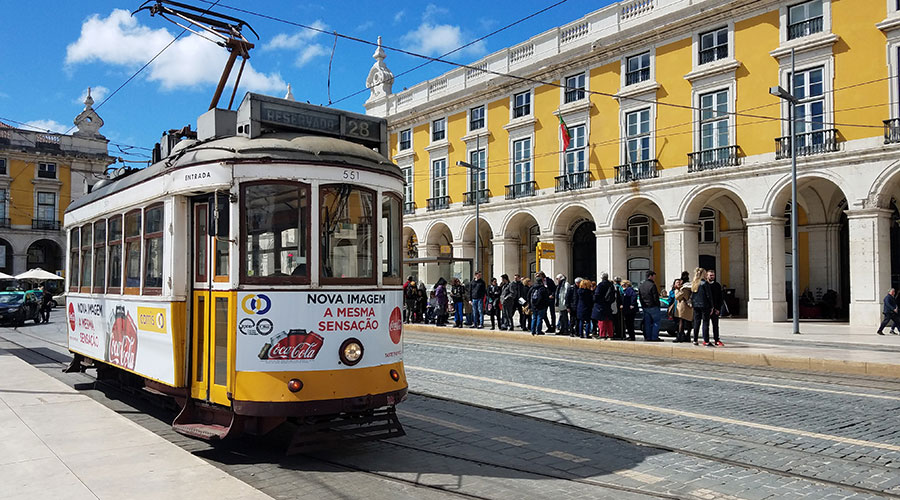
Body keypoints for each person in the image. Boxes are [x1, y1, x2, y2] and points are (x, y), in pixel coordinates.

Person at [690, 268, 713, 346]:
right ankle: (706, 340)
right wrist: (712, 306)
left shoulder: (694, 283)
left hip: (696, 305)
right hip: (704, 305)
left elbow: (692, 296)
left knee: (697, 322)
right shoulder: (704, 283)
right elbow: (709, 296)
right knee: (706, 323)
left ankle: (695, 339)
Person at [638, 271, 662, 341]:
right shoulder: (652, 285)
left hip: (645, 306)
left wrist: (643, 305)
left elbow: (640, 297)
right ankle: (654, 337)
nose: (655, 278)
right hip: (653, 306)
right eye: (654, 276)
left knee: (647, 323)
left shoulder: (641, 285)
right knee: (656, 322)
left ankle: (648, 337)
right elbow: (655, 297)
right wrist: (658, 305)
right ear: (651, 276)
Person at [592, 273, 617, 339]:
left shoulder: (600, 285)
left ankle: (602, 334)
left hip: (601, 304)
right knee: (609, 320)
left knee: (601, 320)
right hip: (608, 304)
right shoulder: (611, 285)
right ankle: (610, 334)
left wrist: (595, 300)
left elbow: (597, 295)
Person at [707, 269, 725, 346]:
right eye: (710, 275)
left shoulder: (717, 285)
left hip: (715, 309)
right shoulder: (704, 285)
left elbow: (720, 298)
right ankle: (706, 340)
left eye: (713, 275)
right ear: (707, 276)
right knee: (706, 325)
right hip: (707, 309)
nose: (712, 277)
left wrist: (718, 308)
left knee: (715, 325)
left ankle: (716, 340)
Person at [674, 279, 693, 343]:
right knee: (688, 322)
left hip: (682, 307)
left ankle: (680, 337)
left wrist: (678, 291)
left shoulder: (683, 290)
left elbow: (677, 297)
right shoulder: (690, 289)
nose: (679, 283)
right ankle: (687, 336)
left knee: (681, 322)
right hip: (689, 307)